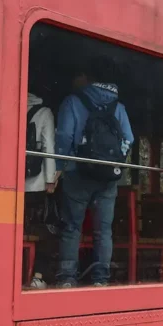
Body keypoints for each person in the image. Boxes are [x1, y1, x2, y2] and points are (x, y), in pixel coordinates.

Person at [53, 62, 134, 288]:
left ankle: (67, 278)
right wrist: (115, 162)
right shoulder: (119, 106)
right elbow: (129, 138)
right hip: (107, 178)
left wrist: (59, 167)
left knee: (72, 226)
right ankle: (101, 278)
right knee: (103, 230)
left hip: (77, 172)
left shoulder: (72, 101)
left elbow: (64, 137)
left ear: (86, 76)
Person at [23, 92, 56, 289]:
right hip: (36, 183)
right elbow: (48, 147)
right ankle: (38, 275)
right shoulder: (44, 112)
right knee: (46, 231)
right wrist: (50, 180)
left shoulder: (13, 107)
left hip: (14, 182)